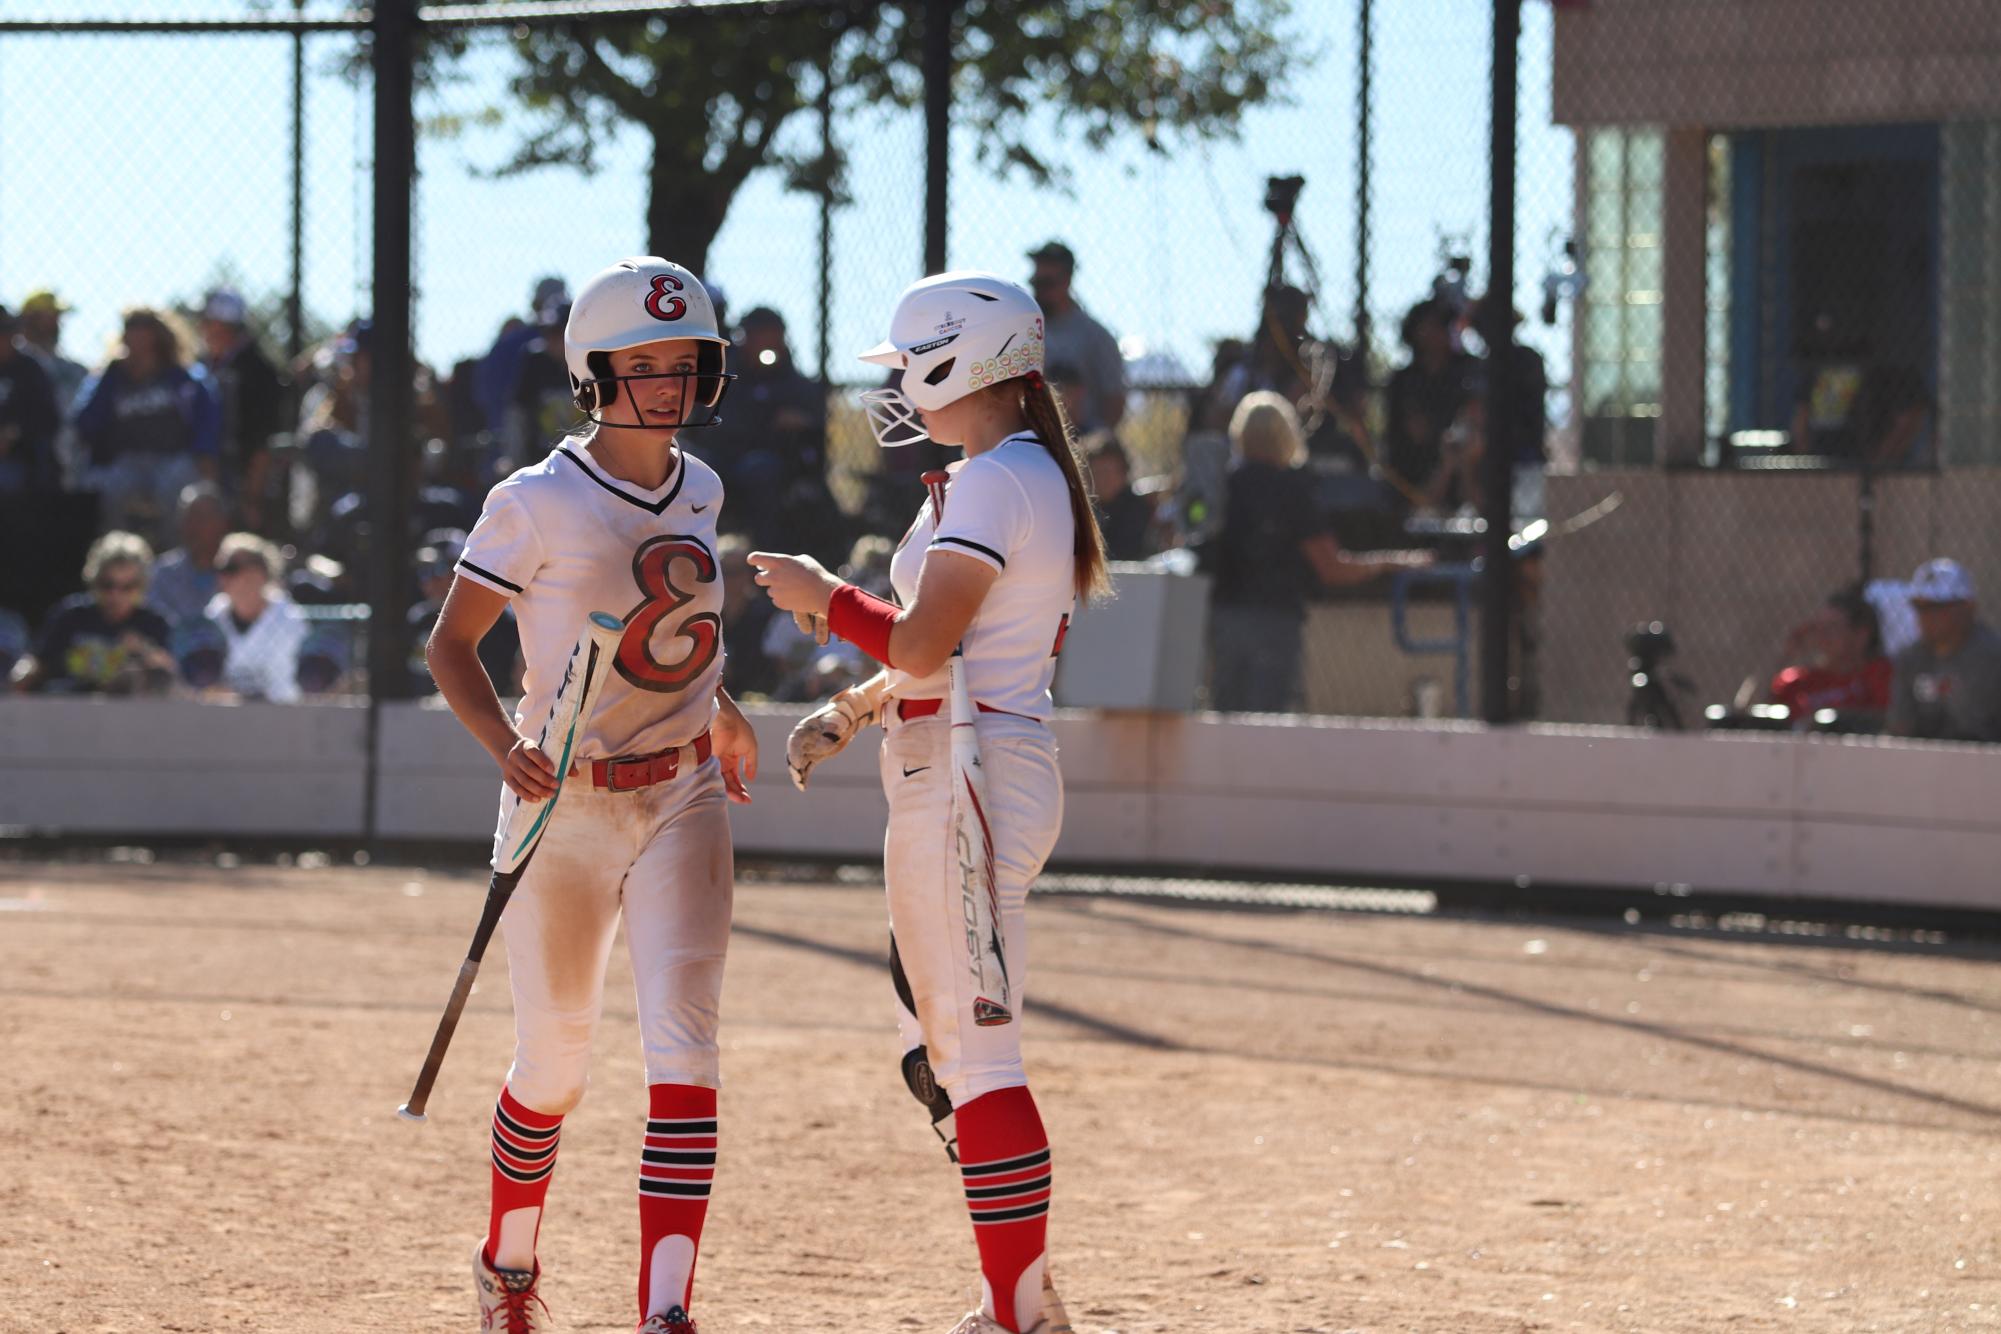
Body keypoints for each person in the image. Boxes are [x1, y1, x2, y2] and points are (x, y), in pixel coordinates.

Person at [749, 269, 1103, 1334]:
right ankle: (1026, 1294)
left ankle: (1014, 1312)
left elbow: (921, 639)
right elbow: (931, 653)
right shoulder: (1001, 473)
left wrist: (824, 596)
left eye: (913, 361)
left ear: (965, 359)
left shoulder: (1000, 479)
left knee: (976, 1051)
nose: (901, 381)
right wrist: (857, 706)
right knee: (940, 1052)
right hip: (957, 760)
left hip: (970, 771)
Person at [425, 256, 757, 1334]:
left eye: (683, 363)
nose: (666, 383)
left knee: (686, 1047)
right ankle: (508, 1268)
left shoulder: (700, 485)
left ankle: (667, 1310)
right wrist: (502, 742)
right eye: (642, 363)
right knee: (555, 1059)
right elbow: (451, 645)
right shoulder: (534, 501)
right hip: (563, 803)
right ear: (593, 370)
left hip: (682, 793)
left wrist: (725, 702)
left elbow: (674, 634)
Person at [1206, 392, 1427, 713]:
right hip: (1274, 622)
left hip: (1224, 620)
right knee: (1270, 726)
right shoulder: (1291, 489)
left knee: (1225, 721)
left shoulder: (1223, 486)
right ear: (1286, 435)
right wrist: (1392, 563)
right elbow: (1331, 567)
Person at [73, 308, 220, 541]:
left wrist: (205, 459)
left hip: (173, 459)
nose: (137, 340)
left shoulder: (183, 377)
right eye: (131, 333)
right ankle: (116, 556)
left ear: (158, 337)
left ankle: (172, 553)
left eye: (143, 333)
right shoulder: (111, 377)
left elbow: (207, 425)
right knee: (103, 486)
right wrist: (112, 377)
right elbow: (85, 424)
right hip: (125, 461)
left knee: (175, 487)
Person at [9, 530, 175, 694]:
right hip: (68, 709)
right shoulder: (71, 616)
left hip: (129, 715)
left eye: (128, 587)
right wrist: (22, 674)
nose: (115, 595)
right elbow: (38, 661)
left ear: (142, 586)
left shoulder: (155, 624)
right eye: (107, 585)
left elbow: (173, 678)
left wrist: (145, 651)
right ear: (94, 581)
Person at [196, 288, 289, 531]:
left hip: (242, 475)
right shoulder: (204, 365)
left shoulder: (258, 372)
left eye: (207, 322)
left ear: (222, 326)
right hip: (208, 467)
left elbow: (263, 442)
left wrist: (252, 498)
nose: (202, 329)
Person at [1887, 558, 2001, 743]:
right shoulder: (1910, 659)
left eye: (1936, 607)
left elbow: (1979, 731)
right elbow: (1900, 727)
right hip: (1920, 761)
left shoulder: (1993, 657)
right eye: (1920, 607)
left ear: (1968, 607)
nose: (1926, 616)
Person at [1027, 241, 1125, 434]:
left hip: (1082, 440)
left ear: (1067, 281)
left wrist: (1093, 444)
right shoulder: (1025, 331)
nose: (1040, 291)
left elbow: (1114, 401)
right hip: (1035, 437)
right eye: (1036, 283)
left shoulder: (1095, 337)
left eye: (1048, 284)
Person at [1384, 297, 1476, 503]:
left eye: (1443, 326)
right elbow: (1414, 431)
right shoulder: (1404, 379)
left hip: (1461, 464)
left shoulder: (1466, 372)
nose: (1437, 334)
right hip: (1413, 468)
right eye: (1430, 326)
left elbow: (1472, 418)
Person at [204, 532, 307, 703]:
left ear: (258, 573)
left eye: (231, 568)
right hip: (221, 720)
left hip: (278, 719)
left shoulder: (289, 620)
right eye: (220, 570)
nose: (223, 577)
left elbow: (288, 689)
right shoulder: (213, 614)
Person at [1767, 584, 1892, 723]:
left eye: (1833, 627)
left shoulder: (1879, 675)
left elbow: (1889, 721)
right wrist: (1785, 653)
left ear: (1861, 635)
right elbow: (1748, 710)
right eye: (1819, 627)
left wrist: (1829, 720)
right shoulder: (1798, 680)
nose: (1823, 635)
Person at [0, 303, 61, 497]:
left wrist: (13, 433)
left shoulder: (29, 370)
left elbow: (49, 418)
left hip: (20, 457)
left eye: (6, 333)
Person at [149, 482, 231, 627]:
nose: (194, 525)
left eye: (203, 518)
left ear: (222, 523)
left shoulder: (237, 571)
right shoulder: (163, 572)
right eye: (188, 518)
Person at [1085, 437, 1157, 562]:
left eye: (1109, 472)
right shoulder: (1080, 508)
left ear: (1123, 474)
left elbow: (1123, 553)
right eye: (1098, 472)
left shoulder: (1135, 510)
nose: (1103, 479)